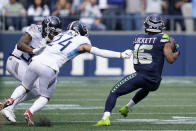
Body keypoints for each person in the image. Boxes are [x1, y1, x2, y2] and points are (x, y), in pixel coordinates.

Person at [0, 21, 132, 126]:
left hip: (34, 62)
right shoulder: (82, 40)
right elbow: (99, 51)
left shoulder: (60, 35)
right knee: (45, 96)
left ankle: (11, 100)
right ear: (81, 32)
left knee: (25, 86)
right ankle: (30, 111)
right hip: (50, 67)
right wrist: (120, 55)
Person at [95, 14, 180, 126]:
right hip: (155, 80)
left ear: (147, 25)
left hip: (140, 76)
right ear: (160, 26)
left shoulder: (137, 37)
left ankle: (106, 118)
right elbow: (170, 59)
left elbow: (155, 47)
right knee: (146, 88)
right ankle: (127, 107)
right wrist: (177, 51)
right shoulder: (163, 38)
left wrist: (169, 46)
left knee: (114, 92)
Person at [0, 16, 62, 123]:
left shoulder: (54, 41)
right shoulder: (35, 30)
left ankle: (7, 104)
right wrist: (33, 51)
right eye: (53, 32)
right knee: (32, 86)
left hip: (27, 65)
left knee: (38, 89)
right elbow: (20, 44)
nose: (55, 35)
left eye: (57, 32)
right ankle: (8, 107)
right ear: (46, 29)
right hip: (16, 61)